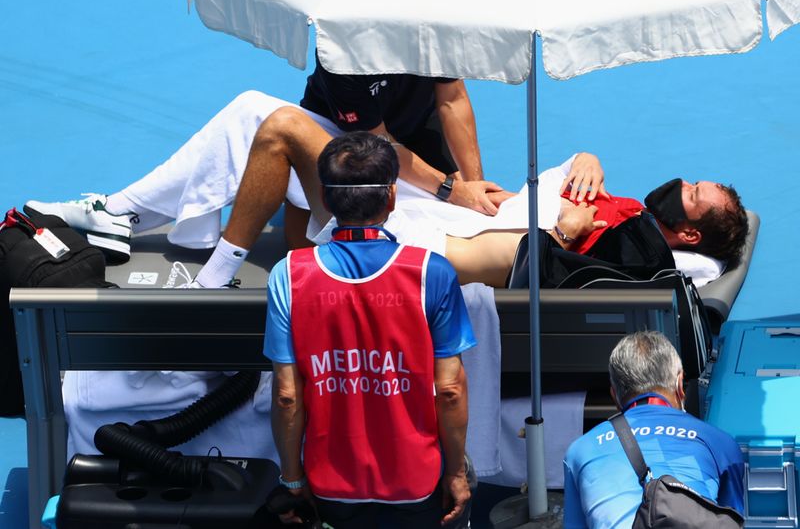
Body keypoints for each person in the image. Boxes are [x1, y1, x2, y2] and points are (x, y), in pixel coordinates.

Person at [26, 99, 747, 288]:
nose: (685, 185)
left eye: (694, 198)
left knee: (277, 126)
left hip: (416, 237)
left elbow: (542, 257)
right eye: (694, 179)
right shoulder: (626, 211)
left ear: (685, 237)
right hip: (453, 210)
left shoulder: (636, 247)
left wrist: (559, 224)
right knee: (252, 106)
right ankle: (122, 212)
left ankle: (213, 269)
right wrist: (585, 159)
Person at [265, 131, 475, 527]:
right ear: (391, 197)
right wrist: (456, 473)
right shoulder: (432, 273)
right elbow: (449, 390)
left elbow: (287, 396)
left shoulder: (288, 276)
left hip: (330, 486)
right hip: (417, 483)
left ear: (325, 200)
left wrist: (292, 479)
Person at [562, 331, 745, 528]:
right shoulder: (720, 443)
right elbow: (730, 519)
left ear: (614, 396)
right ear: (679, 384)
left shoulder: (579, 450)